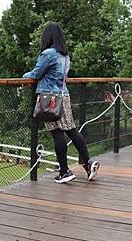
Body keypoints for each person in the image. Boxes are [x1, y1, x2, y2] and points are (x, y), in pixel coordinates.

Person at [23, 22, 100, 184]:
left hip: (49, 99)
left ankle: (65, 171)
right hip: (64, 96)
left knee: (57, 132)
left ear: (47, 36)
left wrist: (25, 76)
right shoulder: (65, 55)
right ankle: (87, 163)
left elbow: (36, 73)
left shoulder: (48, 54)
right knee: (71, 130)